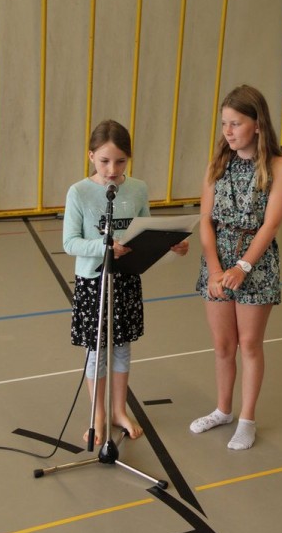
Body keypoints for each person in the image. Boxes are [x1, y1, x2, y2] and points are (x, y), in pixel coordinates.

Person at [63, 119, 188, 444]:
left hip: (126, 278)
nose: (112, 169)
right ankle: (98, 414)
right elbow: (70, 242)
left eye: (120, 161)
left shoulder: (137, 189)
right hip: (94, 281)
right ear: (91, 156)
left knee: (121, 347)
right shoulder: (79, 192)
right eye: (104, 161)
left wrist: (170, 245)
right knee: (97, 350)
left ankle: (119, 410)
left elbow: (145, 232)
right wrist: (105, 246)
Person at [190, 84, 282, 450]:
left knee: (249, 344)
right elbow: (206, 220)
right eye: (224, 124)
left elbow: (271, 225)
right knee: (223, 345)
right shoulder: (218, 164)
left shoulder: (278, 167)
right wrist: (216, 269)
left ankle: (246, 419)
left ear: (258, 125)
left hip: (256, 263)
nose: (228, 131)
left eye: (236, 123)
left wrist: (243, 267)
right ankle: (223, 410)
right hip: (218, 260)